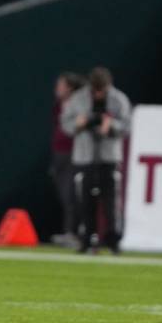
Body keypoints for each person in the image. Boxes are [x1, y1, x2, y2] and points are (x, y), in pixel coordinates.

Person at [60, 67, 131, 255]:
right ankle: (86, 240)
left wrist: (111, 126)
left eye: (102, 90)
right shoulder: (78, 99)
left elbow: (127, 126)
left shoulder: (118, 100)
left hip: (109, 157)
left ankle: (113, 240)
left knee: (111, 202)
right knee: (84, 201)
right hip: (84, 157)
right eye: (96, 90)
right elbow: (65, 124)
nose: (99, 94)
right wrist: (79, 124)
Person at [49, 72, 84, 248]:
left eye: (61, 85)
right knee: (64, 194)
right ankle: (69, 231)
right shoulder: (58, 105)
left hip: (73, 154)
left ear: (69, 88)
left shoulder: (78, 105)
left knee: (71, 194)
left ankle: (74, 233)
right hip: (59, 154)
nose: (57, 88)